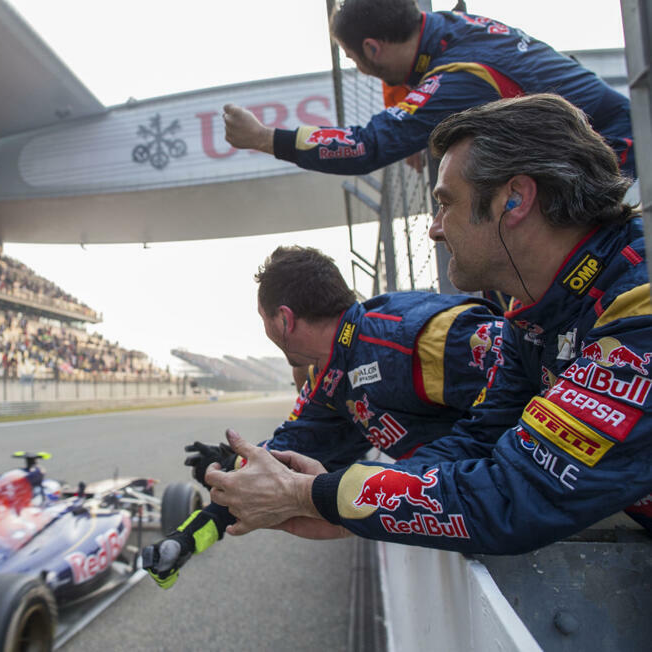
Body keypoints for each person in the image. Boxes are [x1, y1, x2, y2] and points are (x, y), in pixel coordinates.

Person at [204, 93, 651, 554]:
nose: (435, 228)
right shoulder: (532, 313)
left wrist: (310, 496)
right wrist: (337, 508)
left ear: (514, 199)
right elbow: (478, 441)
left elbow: (516, 493)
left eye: (446, 203)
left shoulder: (639, 301)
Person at [141, 245, 506, 587]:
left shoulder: (415, 336)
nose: (265, 330)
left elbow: (529, 392)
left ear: (284, 320)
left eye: (262, 319)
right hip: (475, 518)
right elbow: (277, 470)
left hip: (516, 517)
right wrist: (188, 536)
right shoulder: (332, 381)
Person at [223, 0, 635, 179]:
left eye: (353, 59)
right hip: (601, 141)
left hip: (619, 155)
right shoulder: (449, 28)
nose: (361, 70)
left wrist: (263, 138)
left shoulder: (457, 73)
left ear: (372, 47)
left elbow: (369, 145)